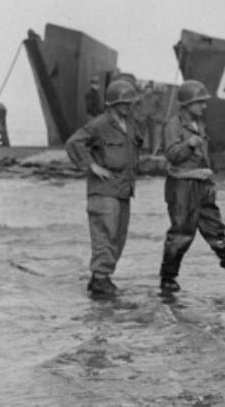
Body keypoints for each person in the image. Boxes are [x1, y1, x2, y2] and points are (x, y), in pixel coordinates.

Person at [159, 80, 225, 293]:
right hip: (182, 186)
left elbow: (204, 156)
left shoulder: (199, 124)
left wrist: (209, 179)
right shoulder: (173, 125)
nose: (204, 106)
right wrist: (188, 144)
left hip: (201, 185)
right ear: (187, 104)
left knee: (215, 230)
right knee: (181, 232)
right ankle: (167, 279)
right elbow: (172, 155)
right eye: (199, 102)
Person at [65, 80, 143, 298]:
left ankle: (100, 277)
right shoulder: (100, 124)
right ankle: (100, 279)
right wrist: (91, 165)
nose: (128, 106)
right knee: (105, 233)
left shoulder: (130, 125)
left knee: (119, 236)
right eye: (124, 103)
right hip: (103, 190)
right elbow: (74, 143)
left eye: (130, 103)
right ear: (112, 104)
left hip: (123, 189)